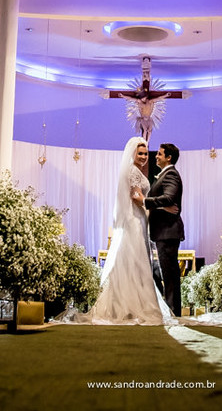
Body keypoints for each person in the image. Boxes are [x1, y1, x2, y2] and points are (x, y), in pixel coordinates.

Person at [83, 136, 173, 324]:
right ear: (132, 154)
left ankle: (129, 304)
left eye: (145, 153)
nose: (143, 157)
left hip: (138, 219)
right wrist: (160, 208)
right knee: (135, 261)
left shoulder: (134, 171)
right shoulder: (133, 171)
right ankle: (133, 305)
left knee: (133, 261)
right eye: (139, 153)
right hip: (134, 219)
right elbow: (136, 198)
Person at [139, 142, 184, 317]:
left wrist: (146, 201)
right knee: (167, 273)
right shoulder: (165, 174)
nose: (155, 156)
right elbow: (166, 201)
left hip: (168, 231)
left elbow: (170, 197)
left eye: (159, 154)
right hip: (164, 232)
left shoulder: (171, 174)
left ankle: (173, 311)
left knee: (170, 274)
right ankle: (171, 309)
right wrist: (162, 207)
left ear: (168, 158)